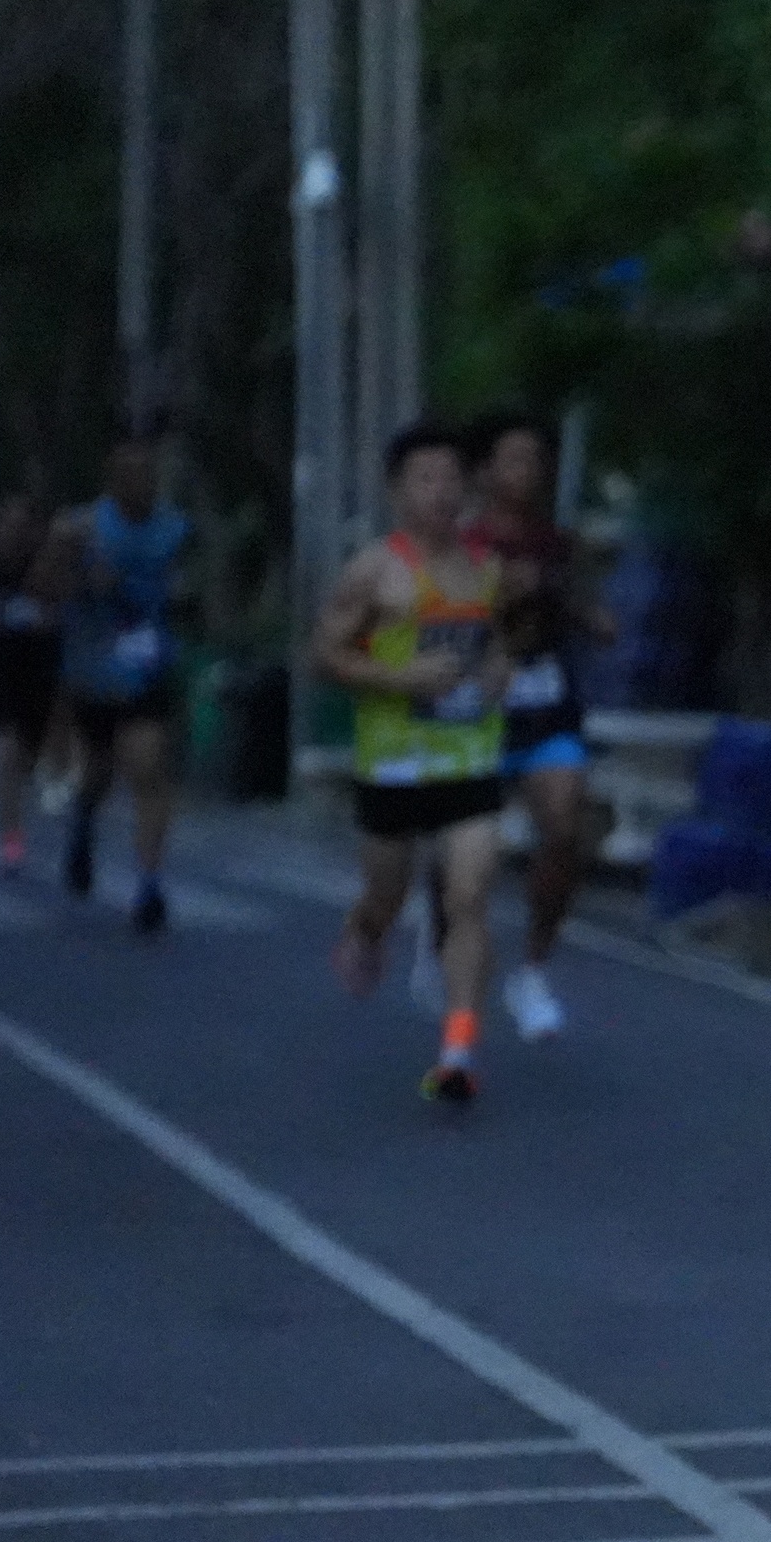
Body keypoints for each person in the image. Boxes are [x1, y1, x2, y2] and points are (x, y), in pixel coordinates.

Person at [313, 422, 515, 1104]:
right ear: (398, 491)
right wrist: (402, 680)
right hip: (394, 764)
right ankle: (365, 928)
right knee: (387, 896)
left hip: (469, 760)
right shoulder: (375, 569)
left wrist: (496, 674)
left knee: (469, 897)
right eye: (425, 478)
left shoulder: (489, 569)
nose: (442, 491)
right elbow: (326, 656)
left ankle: (458, 1049)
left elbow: (506, 645)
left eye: (453, 477)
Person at [470, 409, 610, 1040]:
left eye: (536, 459)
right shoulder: (464, 543)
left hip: (549, 705)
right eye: (513, 458)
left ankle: (532, 967)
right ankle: (447, 932)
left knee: (565, 828)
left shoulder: (559, 544)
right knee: (467, 858)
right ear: (487, 471)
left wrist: (585, 614)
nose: (526, 472)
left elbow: (588, 608)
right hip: (478, 713)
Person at [51, 433, 191, 933]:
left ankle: (149, 884)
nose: (143, 484)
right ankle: (84, 824)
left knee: (148, 768)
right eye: (131, 475)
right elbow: (48, 590)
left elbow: (190, 593)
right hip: (95, 670)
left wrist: (180, 593)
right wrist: (76, 567)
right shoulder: (85, 527)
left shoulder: (174, 529)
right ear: (112, 483)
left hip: (149, 667)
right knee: (98, 776)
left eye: (149, 474)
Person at [0, 493, 59, 876]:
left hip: (39, 670)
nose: (14, 533)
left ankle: (21, 815)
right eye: (7, 524)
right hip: (0, 669)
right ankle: (11, 837)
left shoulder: (45, 567)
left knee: (27, 758)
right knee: (6, 755)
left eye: (23, 526)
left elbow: (58, 612)